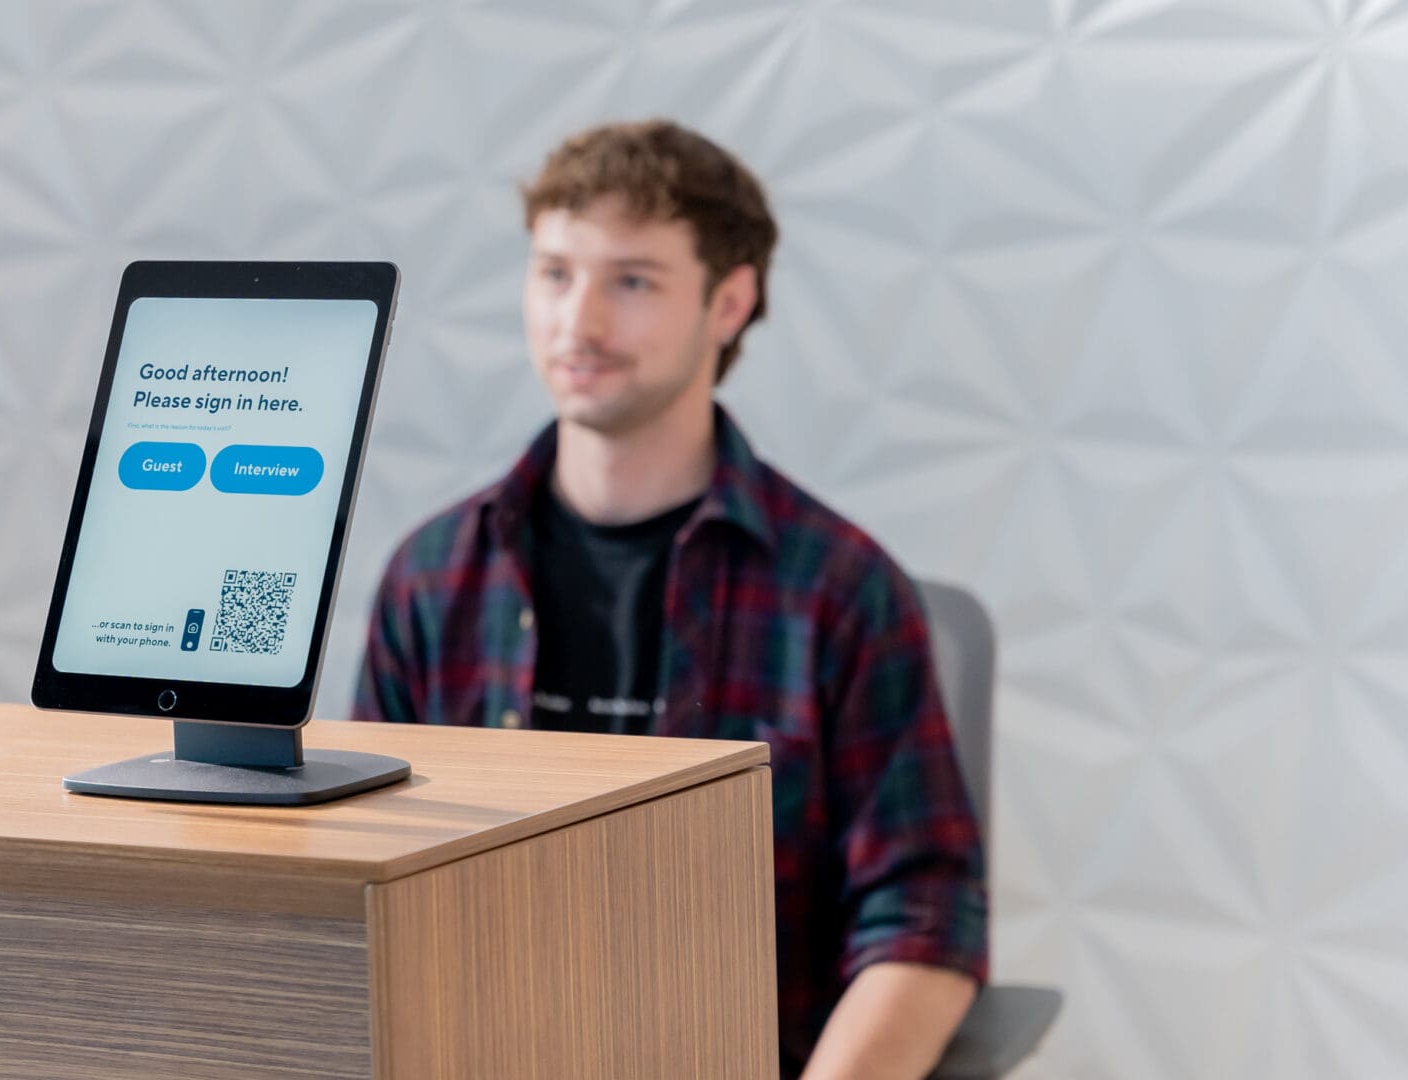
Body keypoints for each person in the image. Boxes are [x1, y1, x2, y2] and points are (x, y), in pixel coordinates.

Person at [352, 118, 986, 1080]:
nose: (579, 322)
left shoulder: (839, 590)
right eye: (556, 272)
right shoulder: (435, 578)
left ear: (730, 302)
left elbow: (925, 922)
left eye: (633, 281)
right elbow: (362, 887)